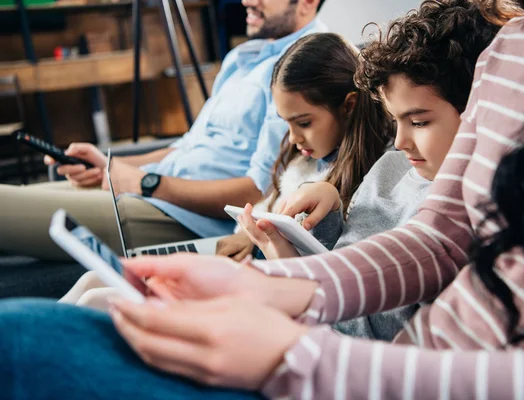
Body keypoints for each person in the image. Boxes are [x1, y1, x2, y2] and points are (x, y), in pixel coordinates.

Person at [1, 0, 524, 399]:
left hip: (359, 374)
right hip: (380, 359)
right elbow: (441, 236)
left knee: (22, 343)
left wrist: (295, 358)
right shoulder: (515, 47)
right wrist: (270, 289)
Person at [60, 32, 393, 311]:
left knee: (97, 298)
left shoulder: (368, 183)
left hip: (270, 290)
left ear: (348, 106)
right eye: (287, 123)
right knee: (93, 280)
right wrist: (245, 235)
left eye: (303, 123)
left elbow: (325, 272)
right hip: (247, 264)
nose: (293, 138)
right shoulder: (301, 157)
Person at [236, 0, 498, 341]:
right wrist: (303, 235)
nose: (400, 142)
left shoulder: (468, 216)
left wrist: (283, 277)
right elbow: (338, 267)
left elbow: (367, 338)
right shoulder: (392, 165)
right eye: (395, 120)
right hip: (302, 318)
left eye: (419, 121)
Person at [0, 0, 327, 261]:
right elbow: (187, 145)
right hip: (152, 190)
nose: (246, 1)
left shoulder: (301, 70)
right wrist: (112, 164)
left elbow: (258, 192)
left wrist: (147, 183)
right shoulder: (242, 56)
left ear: (307, 2)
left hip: (177, 216)